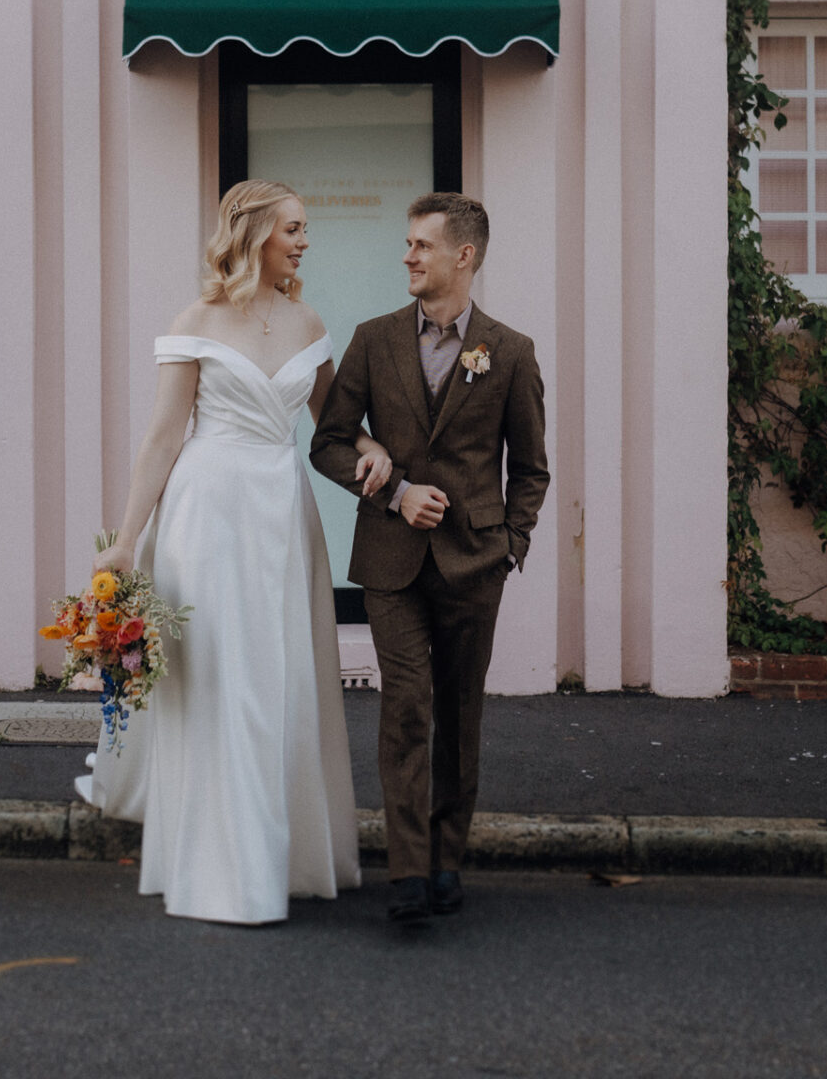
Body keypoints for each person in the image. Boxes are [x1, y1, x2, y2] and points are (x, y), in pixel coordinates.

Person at [82, 179, 384, 925]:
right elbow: (162, 438)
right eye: (293, 228)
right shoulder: (197, 321)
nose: (305, 240)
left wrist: (377, 451)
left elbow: (335, 426)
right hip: (208, 513)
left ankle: (284, 857)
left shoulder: (307, 319)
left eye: (306, 228)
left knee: (280, 679)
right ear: (253, 233)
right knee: (221, 680)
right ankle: (222, 866)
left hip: (280, 514)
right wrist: (125, 540)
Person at [311, 192, 549, 926]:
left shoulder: (510, 352)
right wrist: (394, 492)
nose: (408, 257)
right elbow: (328, 441)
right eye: (408, 245)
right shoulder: (373, 340)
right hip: (390, 560)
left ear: (464, 256)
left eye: (421, 245)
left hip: (475, 563)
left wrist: (511, 545)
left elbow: (531, 468)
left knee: (459, 714)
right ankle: (409, 871)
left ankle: (450, 858)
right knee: (407, 707)